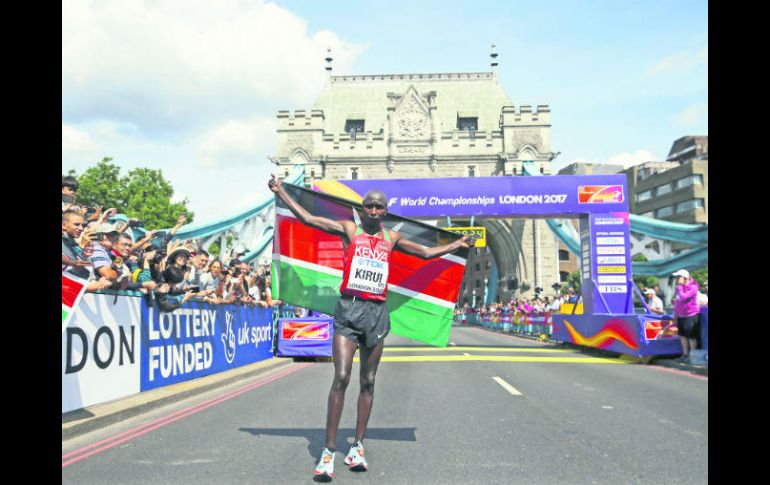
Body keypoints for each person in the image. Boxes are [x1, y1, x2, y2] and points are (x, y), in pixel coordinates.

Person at [269, 174, 470, 481]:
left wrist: (457, 243)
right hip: (349, 310)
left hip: (376, 314)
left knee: (369, 381)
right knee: (341, 376)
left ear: (385, 212)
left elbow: (426, 253)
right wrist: (282, 191)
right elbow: (308, 218)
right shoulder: (350, 230)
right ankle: (328, 451)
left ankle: (358, 446)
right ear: (362, 210)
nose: (374, 211)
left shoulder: (392, 239)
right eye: (369, 206)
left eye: (379, 207)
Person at [672, 269, 700, 362]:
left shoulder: (693, 287)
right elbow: (678, 301)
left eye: (678, 277)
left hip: (691, 315)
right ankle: (685, 355)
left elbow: (684, 298)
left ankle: (693, 356)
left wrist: (679, 288)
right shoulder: (680, 288)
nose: (676, 279)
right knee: (682, 335)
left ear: (685, 278)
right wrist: (675, 313)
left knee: (691, 336)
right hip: (681, 315)